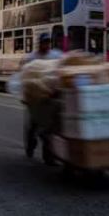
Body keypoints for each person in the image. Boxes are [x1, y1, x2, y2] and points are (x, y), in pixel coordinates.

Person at [23, 33, 62, 165]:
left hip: (51, 97)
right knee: (33, 125)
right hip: (36, 99)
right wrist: (26, 96)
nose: (46, 45)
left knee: (48, 128)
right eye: (44, 42)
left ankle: (48, 157)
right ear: (39, 43)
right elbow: (25, 78)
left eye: (48, 42)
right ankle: (30, 145)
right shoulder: (31, 58)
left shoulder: (56, 56)